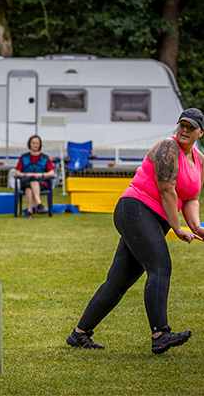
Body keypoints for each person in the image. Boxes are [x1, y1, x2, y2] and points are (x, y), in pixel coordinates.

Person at [66, 108, 204, 354]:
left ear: (200, 132)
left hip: (152, 219)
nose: (184, 129)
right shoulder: (167, 148)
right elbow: (167, 190)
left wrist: (196, 227)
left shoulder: (199, 159)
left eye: (190, 127)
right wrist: (177, 227)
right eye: (181, 124)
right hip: (136, 209)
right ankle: (161, 334)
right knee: (160, 267)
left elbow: (191, 197)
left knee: (119, 280)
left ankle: (79, 334)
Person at [15, 135, 55, 219]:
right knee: (30, 180)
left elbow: (51, 172)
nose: (35, 145)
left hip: (41, 183)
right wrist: (26, 175)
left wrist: (40, 175)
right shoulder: (23, 157)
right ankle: (39, 203)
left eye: (37, 143)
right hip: (25, 180)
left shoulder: (45, 158)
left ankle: (29, 212)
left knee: (29, 186)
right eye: (33, 143)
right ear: (29, 144)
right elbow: (17, 172)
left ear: (40, 145)